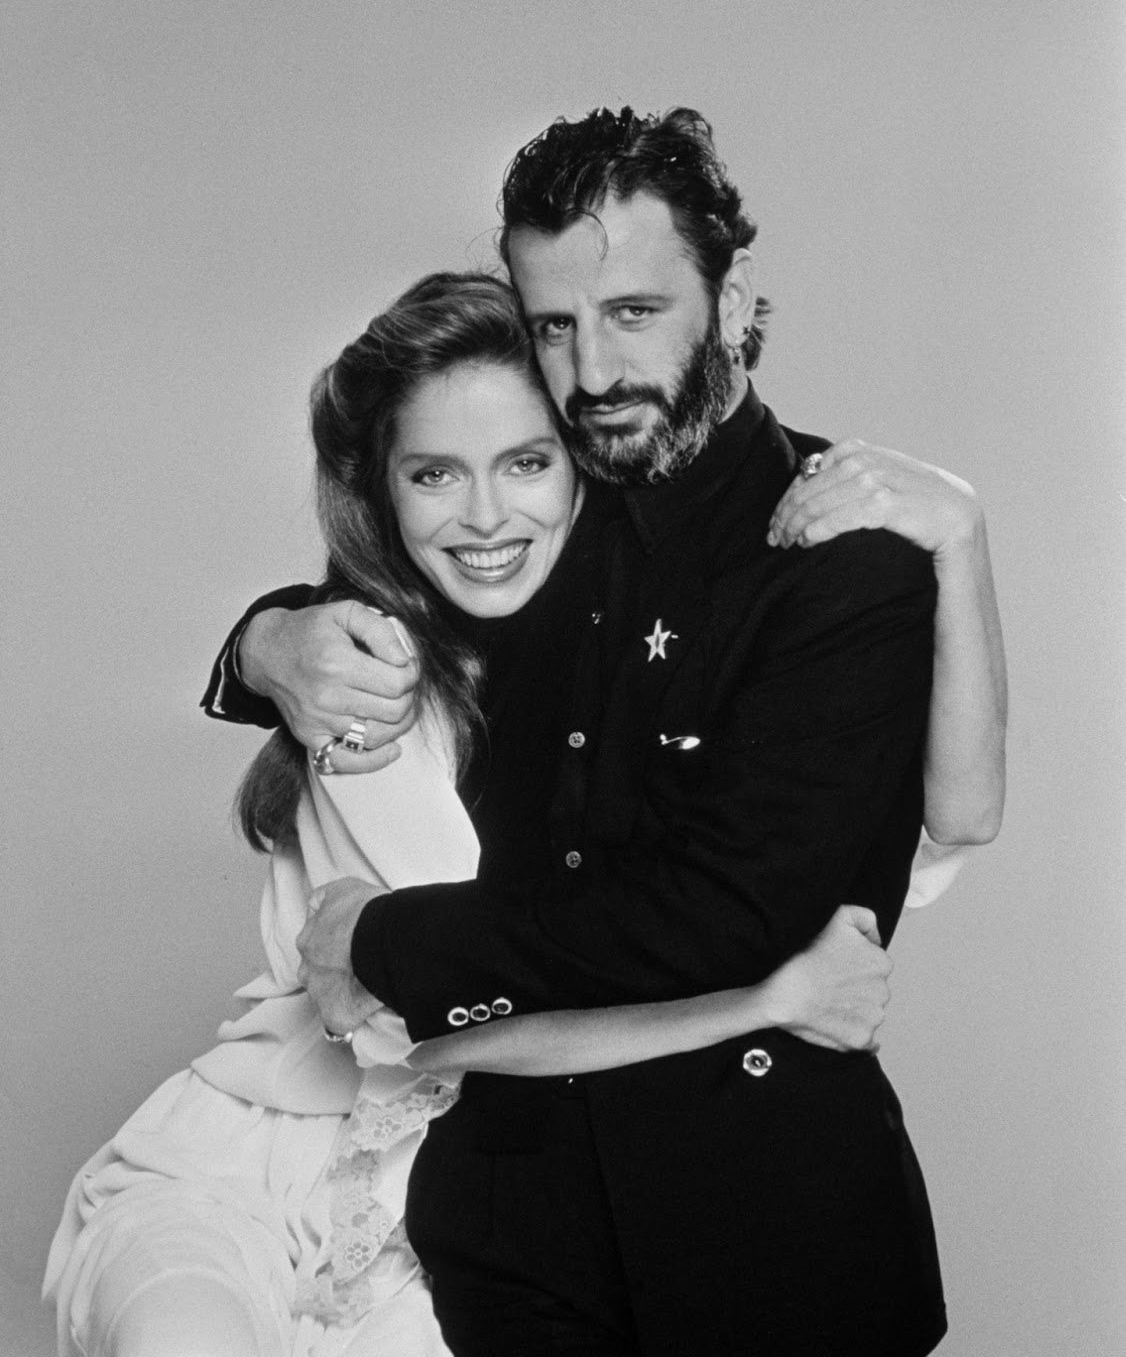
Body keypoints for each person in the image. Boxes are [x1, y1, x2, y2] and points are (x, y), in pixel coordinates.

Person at [219, 109, 1007, 1356]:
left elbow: (727, 913)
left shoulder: (844, 557)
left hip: (770, 1239)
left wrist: (385, 938)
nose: (592, 374)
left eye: (633, 312)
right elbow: (385, 570)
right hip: (506, 1234)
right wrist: (260, 648)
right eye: (554, 326)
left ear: (731, 297)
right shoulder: (538, 503)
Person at [44, 274, 906, 1357]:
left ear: (587, 470)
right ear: (385, 492)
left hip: (491, 1209)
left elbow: (799, 868)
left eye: (528, 463)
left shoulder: (661, 682)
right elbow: (441, 1020)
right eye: (435, 473)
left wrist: (954, 534)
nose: (486, 516)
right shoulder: (357, 675)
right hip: (258, 1161)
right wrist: (765, 1000)